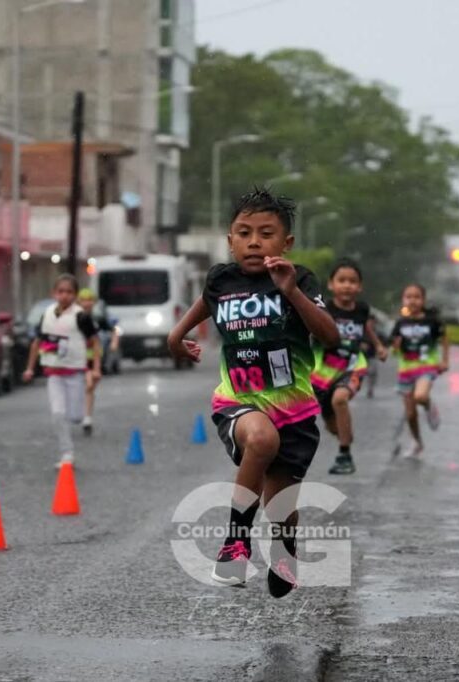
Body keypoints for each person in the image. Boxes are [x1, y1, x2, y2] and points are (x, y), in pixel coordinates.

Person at [167, 187, 339, 598]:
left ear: (286, 242)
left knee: (279, 509)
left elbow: (330, 336)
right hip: (238, 402)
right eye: (244, 233)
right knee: (261, 439)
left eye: (266, 233)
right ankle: (235, 544)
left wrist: (291, 291)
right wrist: (176, 338)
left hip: (294, 411)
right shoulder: (220, 280)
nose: (254, 242)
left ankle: (285, 549)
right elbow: (200, 309)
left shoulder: (300, 279)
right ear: (230, 240)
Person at [310, 258, 387, 474]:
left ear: (359, 286)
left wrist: (378, 346)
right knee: (331, 425)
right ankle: (345, 438)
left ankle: (344, 455)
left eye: (352, 281)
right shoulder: (323, 308)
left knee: (340, 399)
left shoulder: (362, 309)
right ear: (331, 284)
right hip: (323, 370)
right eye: (341, 280)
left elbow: (366, 327)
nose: (347, 285)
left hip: (352, 365)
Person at [22, 274, 99, 468]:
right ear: (54, 293)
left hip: (75, 373)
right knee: (57, 414)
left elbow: (95, 342)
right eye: (61, 291)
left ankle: (79, 418)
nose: (64, 295)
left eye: (69, 292)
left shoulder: (81, 316)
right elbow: (37, 342)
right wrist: (30, 368)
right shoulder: (47, 314)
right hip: (54, 373)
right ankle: (67, 453)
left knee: (75, 417)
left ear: (75, 295)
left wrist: (96, 368)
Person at [391, 284, 449, 458]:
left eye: (417, 297)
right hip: (406, 370)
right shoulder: (400, 323)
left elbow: (444, 338)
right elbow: (394, 349)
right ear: (403, 300)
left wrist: (445, 360)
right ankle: (417, 442)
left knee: (420, 396)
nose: (412, 300)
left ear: (423, 300)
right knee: (410, 414)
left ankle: (429, 406)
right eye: (408, 297)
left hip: (426, 366)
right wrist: (395, 346)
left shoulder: (432, 321)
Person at [76, 288, 104, 435]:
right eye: (83, 300)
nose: (87, 303)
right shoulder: (76, 318)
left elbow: (112, 329)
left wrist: (114, 340)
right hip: (78, 359)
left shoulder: (97, 319)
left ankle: (87, 417)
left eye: (90, 300)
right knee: (87, 385)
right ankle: (82, 415)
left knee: (90, 387)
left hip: (94, 358)